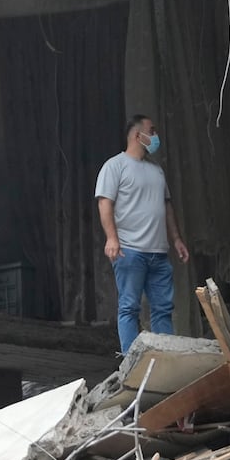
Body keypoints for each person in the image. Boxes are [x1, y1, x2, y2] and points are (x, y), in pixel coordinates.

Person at [95, 114, 189, 355]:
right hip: (130, 251)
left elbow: (166, 206)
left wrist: (176, 239)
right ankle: (129, 363)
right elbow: (105, 203)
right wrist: (112, 238)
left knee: (163, 309)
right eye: (152, 130)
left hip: (158, 252)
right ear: (138, 135)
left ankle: (165, 360)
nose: (156, 136)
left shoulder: (156, 170)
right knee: (129, 307)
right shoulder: (114, 166)